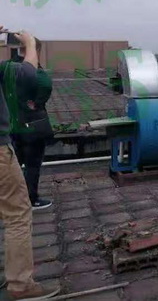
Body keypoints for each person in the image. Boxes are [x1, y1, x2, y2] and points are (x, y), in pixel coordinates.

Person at [0, 26, 60, 300]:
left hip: (14, 130)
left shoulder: (6, 70)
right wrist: (30, 45)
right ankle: (21, 285)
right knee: (18, 209)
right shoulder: (33, 74)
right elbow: (34, 79)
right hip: (28, 129)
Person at [10, 38, 54, 210]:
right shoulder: (38, 75)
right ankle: (30, 199)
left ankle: (10, 198)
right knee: (32, 165)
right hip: (33, 126)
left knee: (13, 165)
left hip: (11, 126)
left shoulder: (8, 69)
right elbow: (45, 87)